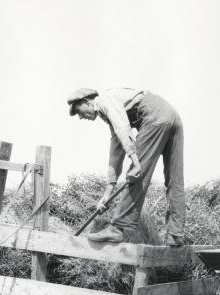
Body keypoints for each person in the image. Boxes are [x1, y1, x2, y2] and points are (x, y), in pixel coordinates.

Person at [67, 88, 185, 246]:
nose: (80, 117)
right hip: (172, 116)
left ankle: (117, 228)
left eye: (78, 111)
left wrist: (136, 162)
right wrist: (108, 192)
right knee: (175, 179)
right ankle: (175, 234)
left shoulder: (104, 101)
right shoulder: (111, 111)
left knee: (136, 175)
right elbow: (116, 153)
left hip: (154, 116)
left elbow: (123, 128)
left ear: (87, 102)